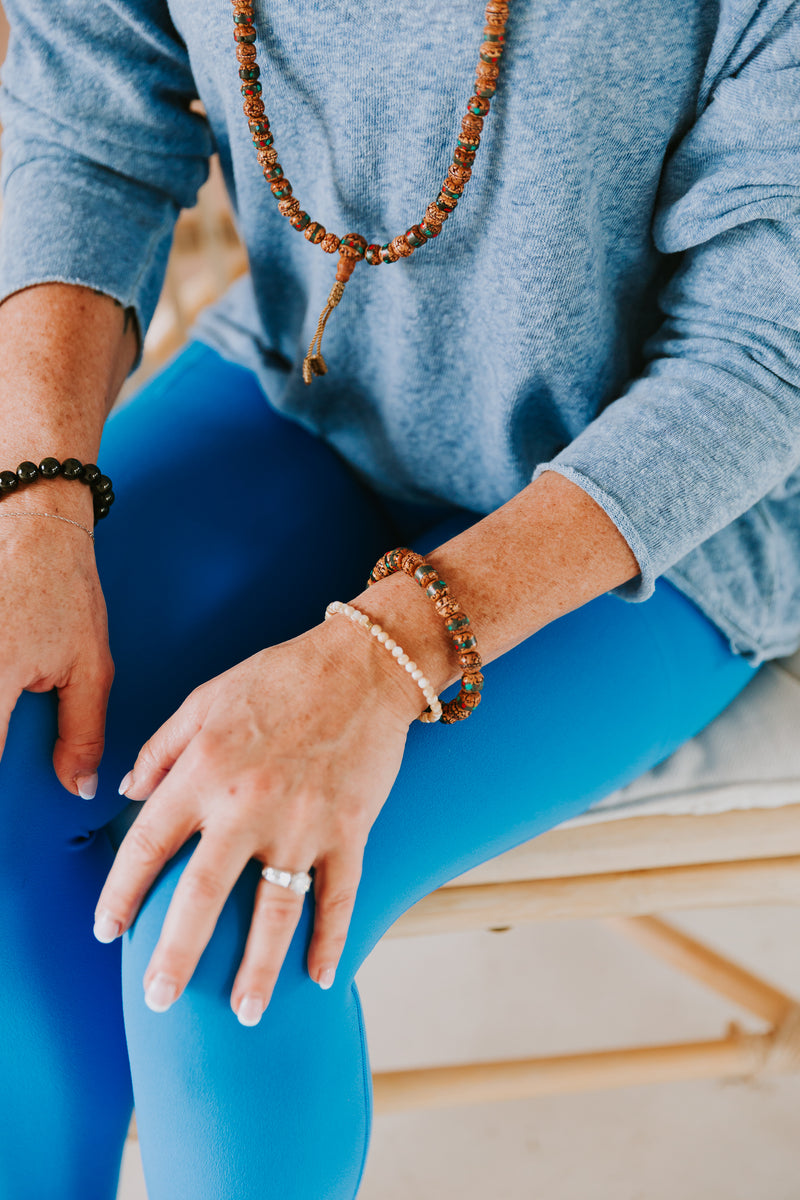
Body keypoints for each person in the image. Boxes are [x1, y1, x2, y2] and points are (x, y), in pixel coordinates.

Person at [0, 0, 797, 1196]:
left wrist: (378, 658)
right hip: (309, 387)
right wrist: (37, 499)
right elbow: (89, 111)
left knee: (229, 924)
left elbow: (757, 355)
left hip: (669, 516)